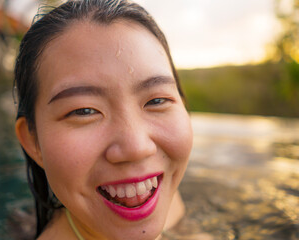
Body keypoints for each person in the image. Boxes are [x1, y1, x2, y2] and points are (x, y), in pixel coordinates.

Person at [14, 0, 193, 239]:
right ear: (33, 141)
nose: (137, 149)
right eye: (84, 111)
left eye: (156, 101)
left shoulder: (165, 195)